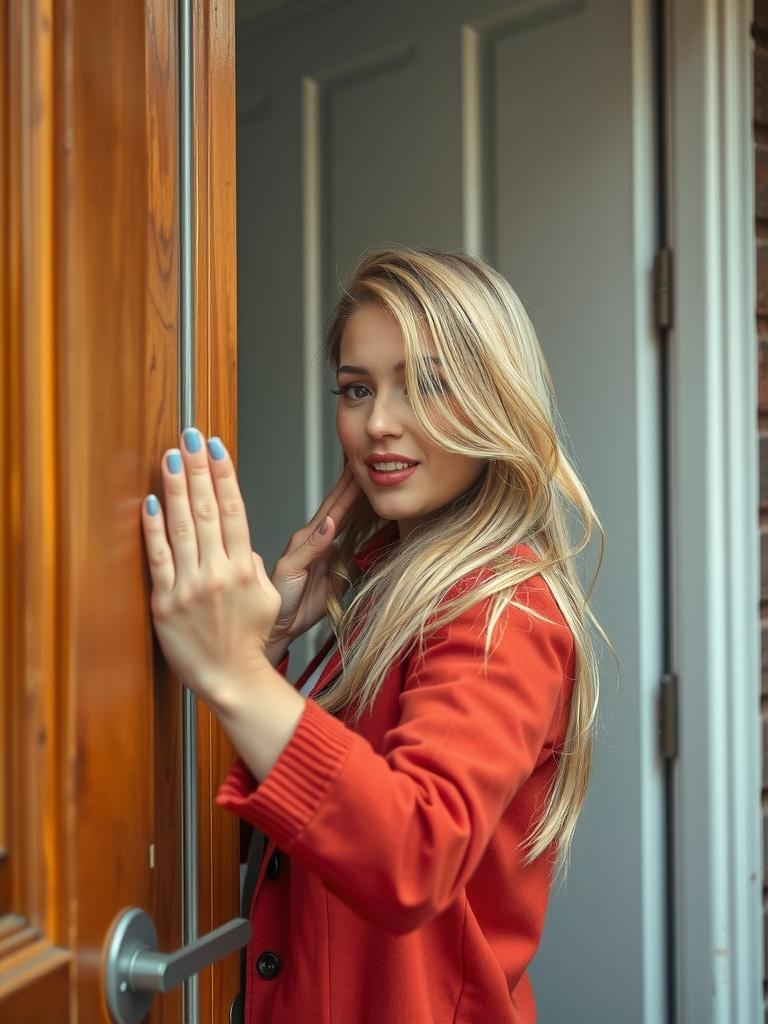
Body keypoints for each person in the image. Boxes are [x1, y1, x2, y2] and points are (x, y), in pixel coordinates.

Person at [141, 246, 611, 1023]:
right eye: (357, 388)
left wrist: (236, 673)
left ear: (498, 400)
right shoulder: (387, 591)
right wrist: (267, 649)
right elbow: (294, 845)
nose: (380, 423)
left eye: (427, 384)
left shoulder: (503, 610)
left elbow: (412, 852)